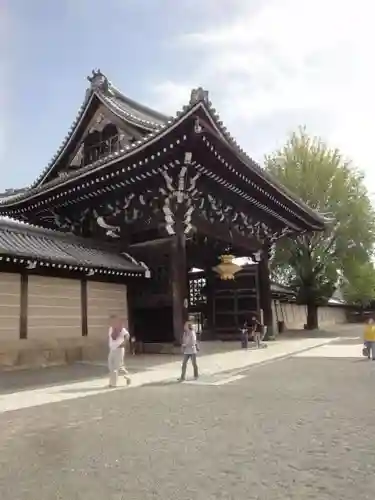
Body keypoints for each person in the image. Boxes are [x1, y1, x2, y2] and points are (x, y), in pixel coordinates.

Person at [108, 315, 131, 387]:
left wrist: (124, 342)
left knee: (115, 367)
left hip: (119, 349)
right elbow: (112, 338)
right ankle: (127, 376)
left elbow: (127, 336)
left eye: (113, 320)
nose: (112, 322)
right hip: (112, 350)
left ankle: (113, 384)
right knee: (112, 366)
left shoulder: (121, 329)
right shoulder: (111, 329)